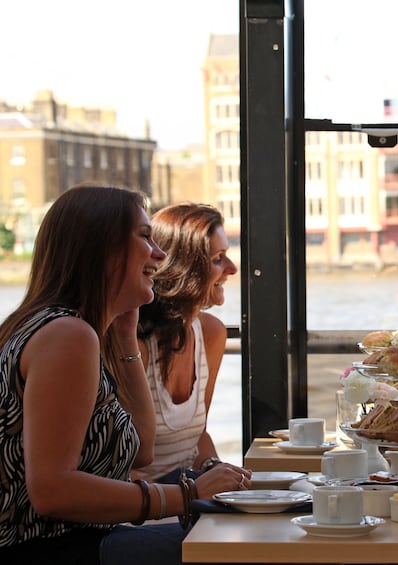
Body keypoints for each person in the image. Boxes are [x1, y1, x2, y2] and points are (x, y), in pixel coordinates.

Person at [0, 183, 251, 565]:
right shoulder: (67, 335)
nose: (160, 254)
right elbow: (51, 489)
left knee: (243, 522)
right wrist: (187, 495)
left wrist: (123, 334)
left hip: (86, 538)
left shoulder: (82, 331)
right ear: (103, 250)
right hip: (49, 548)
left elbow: (143, 449)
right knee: (240, 542)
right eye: (145, 237)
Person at [132, 203, 238, 484]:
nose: (232, 268)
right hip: (143, 511)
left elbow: (198, 436)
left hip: (186, 499)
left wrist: (218, 470)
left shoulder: (211, 333)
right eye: (218, 258)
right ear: (185, 266)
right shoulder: (135, 343)